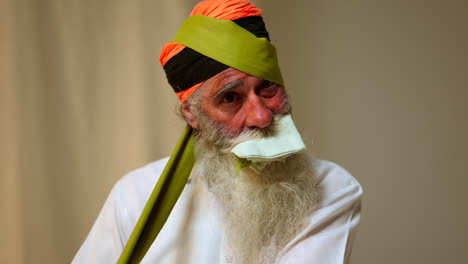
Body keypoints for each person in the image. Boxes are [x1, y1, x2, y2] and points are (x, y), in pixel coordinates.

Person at [73, 0, 362, 263]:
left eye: (267, 88)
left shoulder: (331, 189)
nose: (261, 117)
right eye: (230, 98)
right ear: (192, 114)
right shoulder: (133, 197)